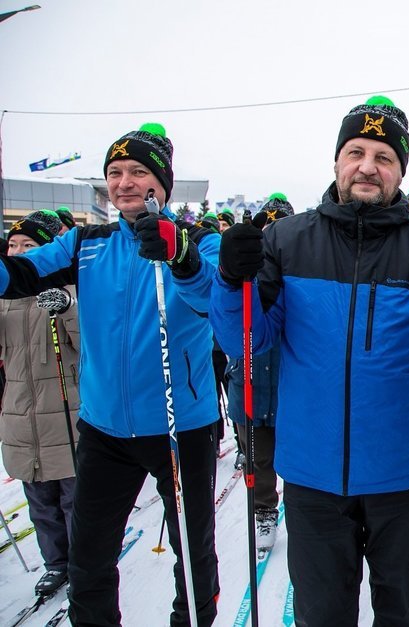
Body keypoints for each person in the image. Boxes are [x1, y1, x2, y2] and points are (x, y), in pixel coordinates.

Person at [210, 95, 409, 627]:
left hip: (403, 475)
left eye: (384, 157)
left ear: (400, 171)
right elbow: (246, 342)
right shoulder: (287, 239)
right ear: (336, 161)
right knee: (322, 615)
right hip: (313, 475)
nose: (368, 167)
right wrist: (231, 281)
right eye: (356, 153)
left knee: (407, 613)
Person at [0, 123, 222, 626]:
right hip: (104, 428)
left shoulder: (200, 241)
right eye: (115, 172)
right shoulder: (86, 241)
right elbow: (20, 275)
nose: (124, 182)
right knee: (89, 557)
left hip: (180, 426)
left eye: (138, 171)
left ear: (162, 183)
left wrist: (179, 254)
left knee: (193, 551)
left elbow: (214, 300)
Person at [0, 210, 80, 596]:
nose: (18, 252)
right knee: (40, 502)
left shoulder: (69, 288)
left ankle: (83, 563)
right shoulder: (5, 299)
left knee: (73, 499)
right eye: (12, 245)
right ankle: (56, 563)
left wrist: (67, 306)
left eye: (28, 245)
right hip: (20, 416)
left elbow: (88, 344)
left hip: (66, 413)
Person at [225, 194, 293, 554]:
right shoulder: (243, 269)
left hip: (289, 386)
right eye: (268, 226)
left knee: (296, 456)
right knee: (258, 460)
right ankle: (264, 512)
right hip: (249, 385)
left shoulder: (297, 270)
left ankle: (300, 512)